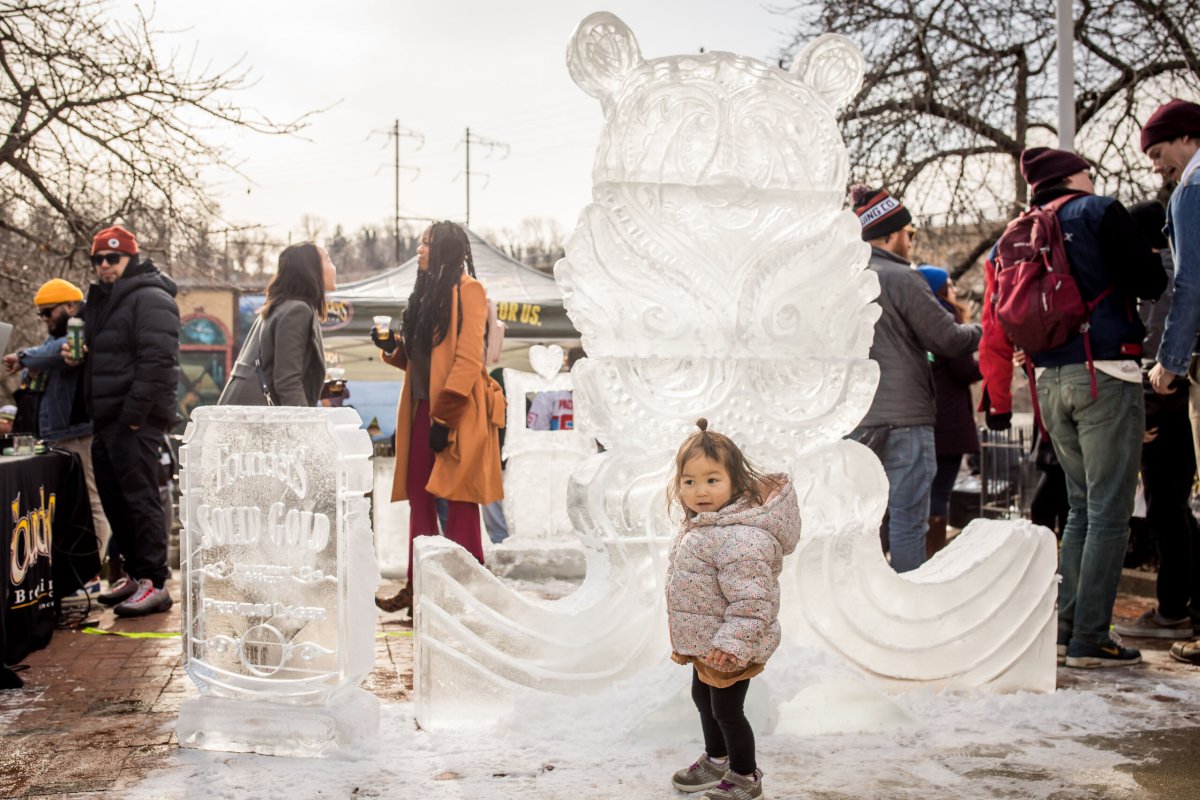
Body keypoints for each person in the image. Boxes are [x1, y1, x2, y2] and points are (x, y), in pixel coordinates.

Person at [988, 148, 1165, 668]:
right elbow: (1150, 284)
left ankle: (1067, 629)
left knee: (1083, 507)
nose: (1093, 177)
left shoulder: (1012, 233)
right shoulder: (1097, 211)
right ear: (1070, 175)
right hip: (1104, 372)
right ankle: (1092, 635)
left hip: (1048, 380)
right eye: (1086, 170)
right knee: (1110, 511)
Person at [372, 221, 506, 616]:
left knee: (460, 498)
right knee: (421, 499)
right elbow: (422, 361)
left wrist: (444, 418)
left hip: (456, 412)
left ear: (446, 248)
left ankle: (466, 594)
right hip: (419, 411)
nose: (420, 250)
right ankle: (421, 589)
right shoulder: (427, 296)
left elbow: (468, 359)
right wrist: (391, 348)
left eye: (426, 243)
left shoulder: (470, 290)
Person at [846, 186, 981, 573]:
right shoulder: (902, 278)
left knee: (863, 525)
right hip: (905, 420)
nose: (911, 241)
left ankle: (863, 601)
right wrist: (983, 332)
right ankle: (906, 610)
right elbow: (948, 339)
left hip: (855, 420)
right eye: (908, 233)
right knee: (908, 522)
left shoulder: (842, 280)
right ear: (889, 234)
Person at [665, 419, 800, 800]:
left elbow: (753, 601)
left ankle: (744, 775)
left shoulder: (741, 537)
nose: (700, 491)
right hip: (709, 643)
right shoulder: (709, 526)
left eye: (712, 480)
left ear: (735, 482)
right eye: (689, 481)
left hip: (730, 645)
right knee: (702, 699)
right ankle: (716, 759)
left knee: (727, 711)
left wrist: (734, 642)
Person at [65, 225, 180, 617]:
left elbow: (159, 362)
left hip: (134, 420)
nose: (104, 266)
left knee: (140, 499)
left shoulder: (150, 297)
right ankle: (134, 572)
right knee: (116, 500)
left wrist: (133, 417)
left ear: (131, 258)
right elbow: (103, 354)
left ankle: (155, 583)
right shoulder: (101, 300)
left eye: (112, 258)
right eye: (98, 259)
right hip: (106, 417)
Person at [1111, 200, 1200, 642]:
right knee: (1177, 506)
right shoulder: (1180, 267)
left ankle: (1171, 610)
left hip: (1163, 399)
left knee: (1167, 508)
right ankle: (1185, 605)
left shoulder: (1159, 278)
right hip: (1178, 398)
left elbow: (1153, 354)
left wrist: (1141, 415)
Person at [4, 279, 111, 593]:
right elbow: (34, 369)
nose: (44, 318)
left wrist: (25, 357)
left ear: (70, 306)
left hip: (78, 432)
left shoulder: (78, 332)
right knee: (66, 506)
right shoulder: (54, 343)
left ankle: (91, 574)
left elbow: (47, 354)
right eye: (40, 314)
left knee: (92, 502)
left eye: (48, 311)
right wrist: (30, 364)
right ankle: (73, 571)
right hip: (56, 434)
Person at [218, 243, 334, 407]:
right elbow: (288, 382)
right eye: (328, 260)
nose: (333, 267)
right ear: (312, 269)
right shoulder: (297, 311)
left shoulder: (282, 305)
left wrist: (322, 388)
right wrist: (305, 429)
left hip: (243, 411)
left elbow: (277, 371)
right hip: (254, 419)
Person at [915, 266, 980, 557]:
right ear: (939, 290)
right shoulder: (945, 320)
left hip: (924, 416)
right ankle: (933, 557)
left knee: (923, 493)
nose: (954, 291)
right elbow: (963, 368)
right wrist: (989, 365)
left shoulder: (915, 318)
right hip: (949, 419)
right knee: (940, 493)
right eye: (950, 285)